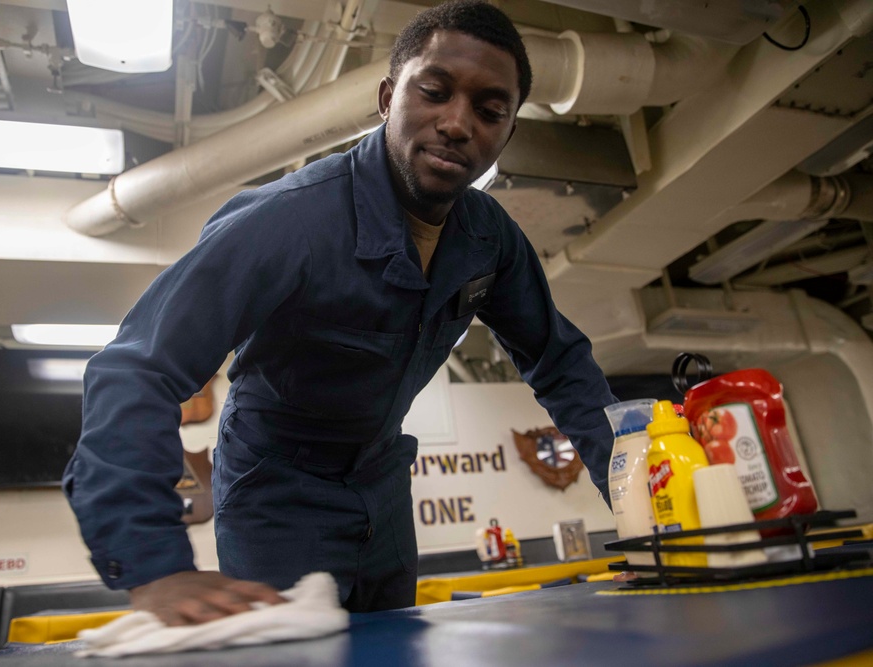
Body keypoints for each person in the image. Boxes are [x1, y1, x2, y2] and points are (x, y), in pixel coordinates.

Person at [64, 0, 617, 625]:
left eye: (490, 111)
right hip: (275, 496)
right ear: (387, 98)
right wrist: (155, 567)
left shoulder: (490, 238)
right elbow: (137, 369)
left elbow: (560, 361)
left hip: (382, 488)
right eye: (434, 92)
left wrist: (635, 494)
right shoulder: (289, 221)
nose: (458, 124)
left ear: (508, 133)